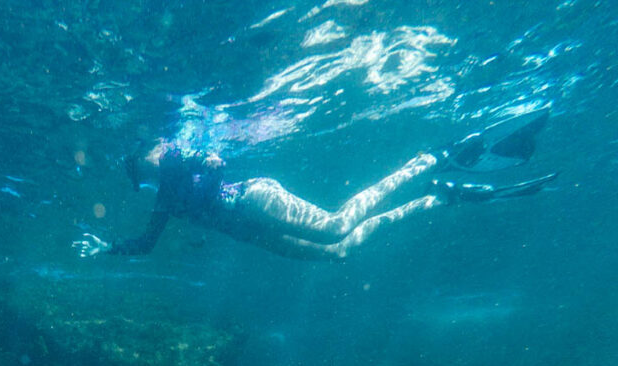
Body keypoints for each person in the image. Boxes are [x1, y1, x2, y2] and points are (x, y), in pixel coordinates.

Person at [74, 109, 556, 262]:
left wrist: (209, 162)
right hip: (249, 231)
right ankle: (437, 198)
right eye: (137, 171)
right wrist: (108, 248)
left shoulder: (174, 157)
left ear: (150, 151)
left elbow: (211, 162)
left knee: (334, 227)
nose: (143, 172)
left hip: (253, 200)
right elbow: (146, 245)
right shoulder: (162, 197)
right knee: (337, 253)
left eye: (139, 162)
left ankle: (428, 159)